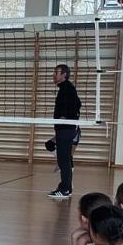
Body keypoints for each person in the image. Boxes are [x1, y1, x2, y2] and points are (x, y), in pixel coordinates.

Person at [48, 64, 81, 199]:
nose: (54, 75)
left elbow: (77, 105)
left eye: (56, 72)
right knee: (63, 159)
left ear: (64, 75)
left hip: (66, 129)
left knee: (64, 160)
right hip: (64, 129)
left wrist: (66, 117)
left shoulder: (68, 88)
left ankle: (65, 189)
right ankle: (66, 188)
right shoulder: (64, 88)